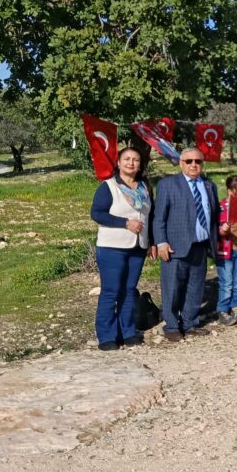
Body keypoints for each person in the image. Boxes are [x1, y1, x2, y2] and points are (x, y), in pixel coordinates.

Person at [89, 148, 154, 351]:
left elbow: (149, 216)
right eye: (127, 159)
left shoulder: (144, 187)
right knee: (111, 291)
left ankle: (127, 331)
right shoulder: (109, 186)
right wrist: (125, 223)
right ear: (118, 163)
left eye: (136, 159)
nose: (131, 163)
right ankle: (106, 335)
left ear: (140, 164)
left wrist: (151, 241)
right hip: (112, 246)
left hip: (138, 246)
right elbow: (97, 213)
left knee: (129, 290)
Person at [153, 148, 220, 342]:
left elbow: (214, 215)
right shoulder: (168, 184)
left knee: (195, 287)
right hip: (175, 246)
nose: (193, 165)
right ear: (181, 163)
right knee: (172, 288)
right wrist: (161, 242)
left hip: (201, 245)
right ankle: (172, 326)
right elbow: (159, 218)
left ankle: (190, 323)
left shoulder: (209, 185)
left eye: (198, 161)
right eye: (189, 161)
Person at [215, 175, 237, 326]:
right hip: (225, 251)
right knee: (226, 282)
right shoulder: (223, 207)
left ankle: (236, 307)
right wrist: (223, 229)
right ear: (230, 191)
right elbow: (218, 230)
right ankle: (223, 310)